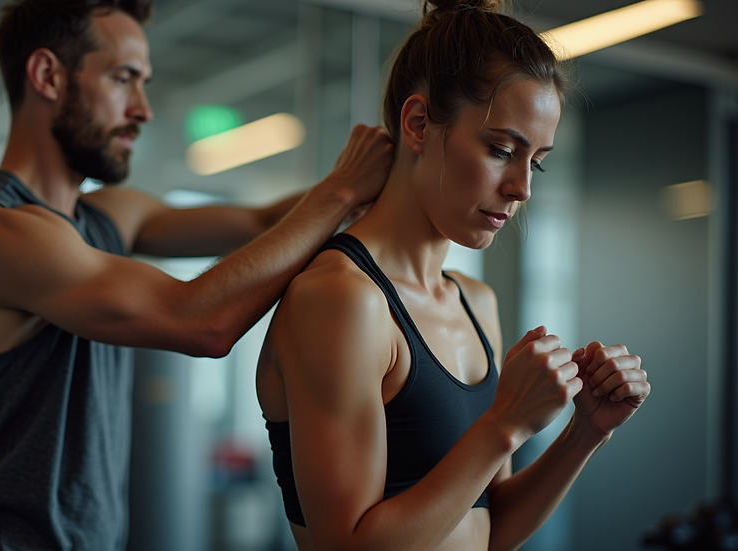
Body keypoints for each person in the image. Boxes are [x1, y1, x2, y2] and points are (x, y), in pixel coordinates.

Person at [0, 0, 394, 549]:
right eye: (123, 79)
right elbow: (201, 321)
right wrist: (340, 191)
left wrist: (401, 170)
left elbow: (264, 221)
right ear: (47, 75)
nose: (143, 109)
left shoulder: (109, 217)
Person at [256, 1, 652, 550]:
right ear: (418, 125)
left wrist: (585, 431)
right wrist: (505, 424)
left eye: (534, 161)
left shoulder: (475, 301)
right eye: (500, 150)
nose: (522, 188)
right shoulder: (342, 299)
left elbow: (489, 528)